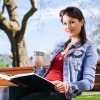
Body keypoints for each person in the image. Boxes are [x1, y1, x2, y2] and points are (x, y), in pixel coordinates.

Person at [9, 6, 98, 100]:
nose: (68, 27)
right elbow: (50, 72)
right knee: (9, 91)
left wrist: (67, 86)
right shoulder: (60, 46)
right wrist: (36, 72)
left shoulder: (89, 48)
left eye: (72, 22)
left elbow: (88, 82)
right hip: (44, 86)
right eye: (65, 23)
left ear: (81, 22)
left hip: (60, 92)